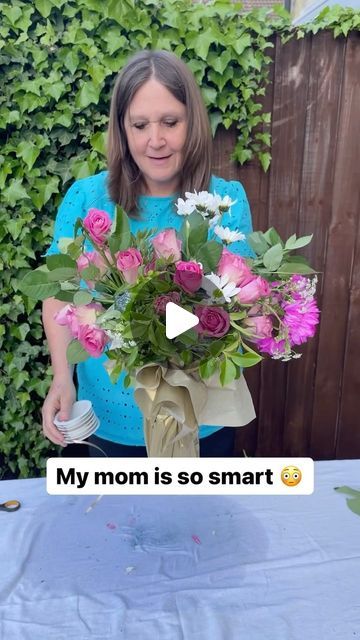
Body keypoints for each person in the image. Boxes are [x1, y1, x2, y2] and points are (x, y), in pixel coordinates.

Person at [42, 49, 254, 458]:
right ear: (122, 130)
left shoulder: (224, 201)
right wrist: (61, 378)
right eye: (140, 125)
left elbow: (237, 303)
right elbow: (60, 293)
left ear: (192, 124)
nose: (155, 140)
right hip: (106, 425)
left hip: (200, 424)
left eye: (170, 123)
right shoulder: (87, 200)